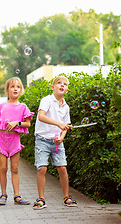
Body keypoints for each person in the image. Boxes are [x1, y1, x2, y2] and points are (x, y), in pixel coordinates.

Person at [33, 76, 77, 210]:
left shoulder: (66, 107)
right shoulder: (46, 100)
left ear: (67, 90)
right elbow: (41, 116)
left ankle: (66, 197)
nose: (62, 85)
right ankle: (41, 198)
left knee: (62, 168)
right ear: (53, 87)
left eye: (65, 84)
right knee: (42, 168)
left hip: (57, 142)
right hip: (42, 140)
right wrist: (58, 123)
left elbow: (66, 126)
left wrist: (62, 137)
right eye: (59, 83)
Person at [0, 77, 34, 206]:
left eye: (18, 87)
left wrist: (17, 122)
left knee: (15, 169)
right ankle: (3, 195)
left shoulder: (23, 107)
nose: (15, 89)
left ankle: (17, 196)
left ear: (21, 90)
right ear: (7, 90)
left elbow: (28, 124)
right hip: (2, 140)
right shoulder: (2, 106)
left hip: (15, 140)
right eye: (12, 86)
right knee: (3, 168)